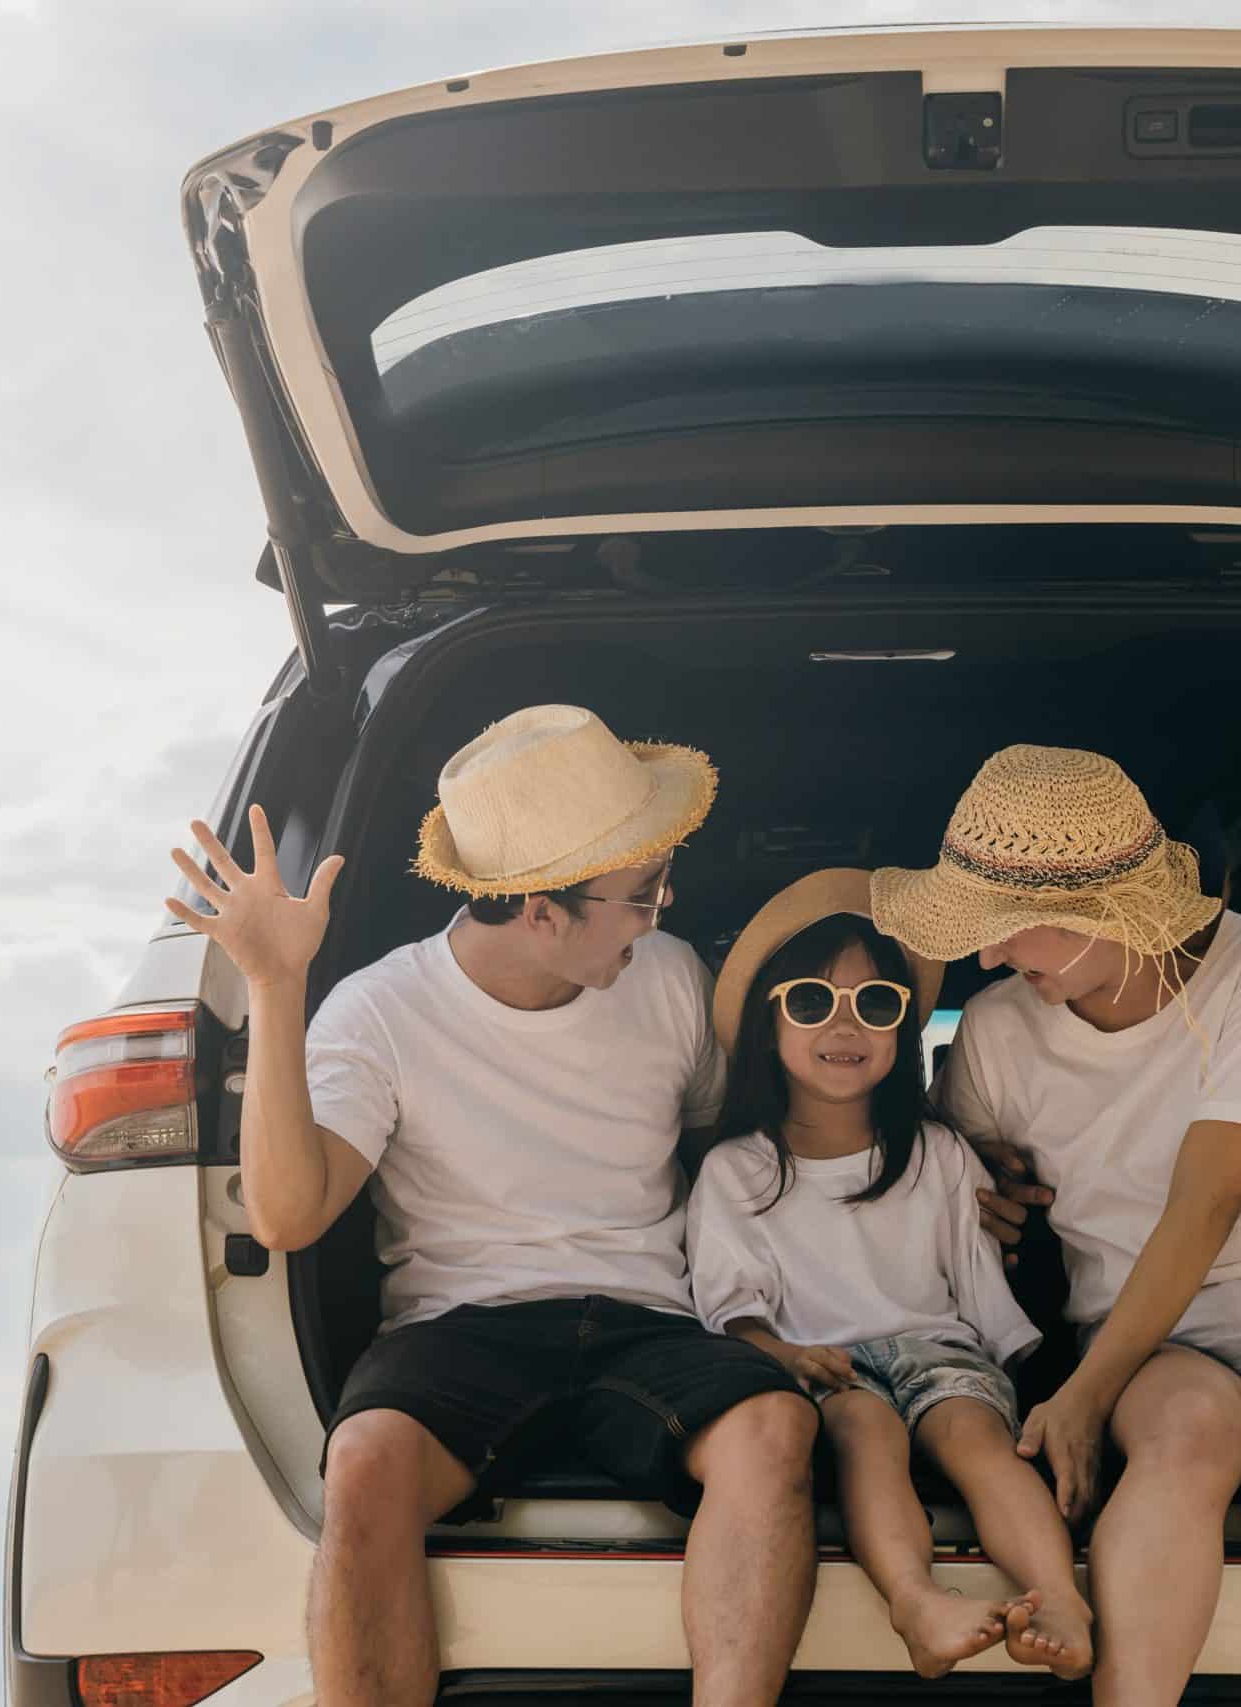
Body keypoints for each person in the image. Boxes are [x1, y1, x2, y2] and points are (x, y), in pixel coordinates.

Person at [165, 704, 816, 1707]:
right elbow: (289, 1219)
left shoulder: (671, 977)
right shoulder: (380, 1012)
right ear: (540, 913)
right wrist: (274, 983)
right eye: (639, 896)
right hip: (459, 1329)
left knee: (773, 1428)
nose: (659, 915)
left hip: (647, 1320)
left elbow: (738, 1146)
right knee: (366, 1458)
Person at [876, 745, 1241, 1707]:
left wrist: (1083, 1397)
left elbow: (1207, 1201)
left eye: (1015, 927)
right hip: (1156, 1352)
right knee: (1190, 1430)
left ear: (1114, 913)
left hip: (1177, 1342)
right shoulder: (1001, 1030)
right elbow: (946, 1181)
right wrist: (985, 1188)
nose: (988, 955)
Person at [689, 870, 1090, 1680]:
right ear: (770, 1024)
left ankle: (1062, 1598)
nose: (847, 1024)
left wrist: (1031, 1378)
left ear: (904, 1026)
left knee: (978, 1438)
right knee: (867, 1430)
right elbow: (731, 1311)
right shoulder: (737, 1169)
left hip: (940, 1354)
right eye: (811, 1002)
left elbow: (980, 1292)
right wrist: (788, 1359)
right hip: (823, 1367)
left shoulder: (938, 1153)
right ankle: (916, 1601)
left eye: (876, 1004)